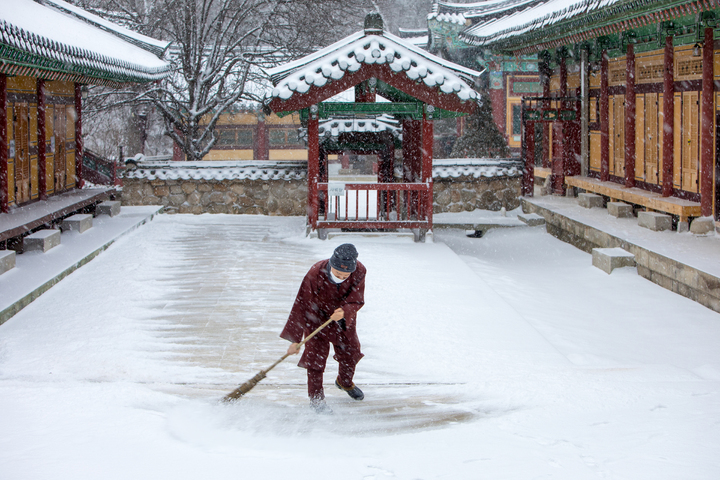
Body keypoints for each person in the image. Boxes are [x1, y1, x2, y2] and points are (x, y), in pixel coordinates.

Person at [280, 243, 366, 413]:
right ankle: (317, 400)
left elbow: (357, 298)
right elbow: (301, 304)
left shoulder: (360, 271)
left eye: (345, 274)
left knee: (350, 353)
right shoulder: (315, 272)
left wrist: (345, 310)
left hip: (342, 317)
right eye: (337, 273)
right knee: (315, 361)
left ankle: (345, 382)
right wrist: (295, 340)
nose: (341, 276)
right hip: (316, 318)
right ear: (331, 265)